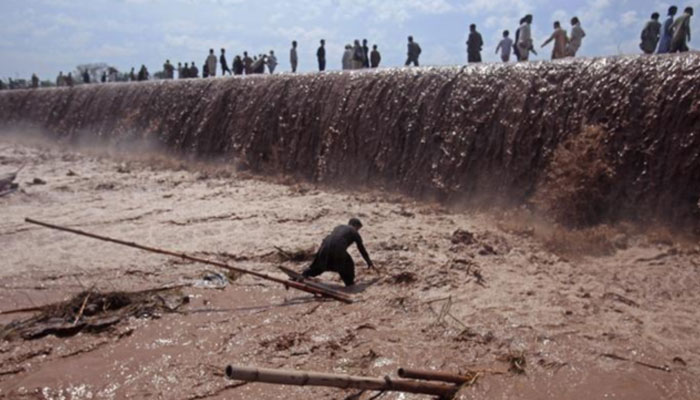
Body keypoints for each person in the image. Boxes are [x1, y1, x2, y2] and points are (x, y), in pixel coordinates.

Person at [302, 218, 374, 287]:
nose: (358, 230)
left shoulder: (339, 227)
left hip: (324, 246)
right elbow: (361, 249)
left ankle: (304, 274)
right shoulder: (354, 231)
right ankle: (349, 284)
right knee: (348, 265)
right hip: (338, 248)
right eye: (358, 229)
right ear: (355, 225)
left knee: (320, 265)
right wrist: (368, 262)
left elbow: (334, 238)